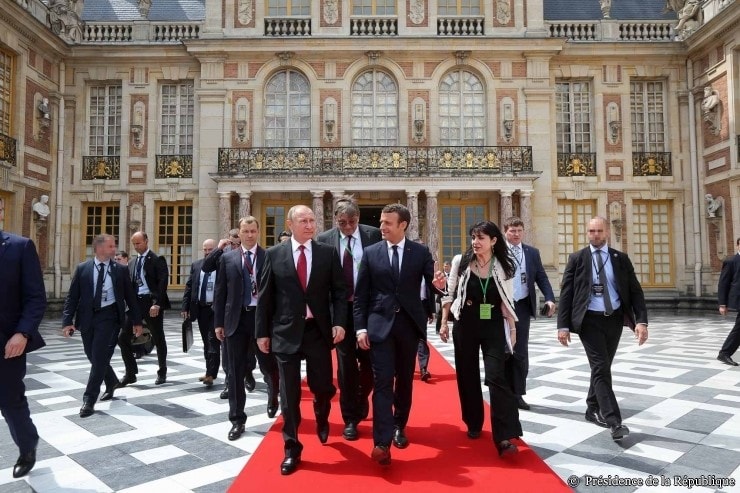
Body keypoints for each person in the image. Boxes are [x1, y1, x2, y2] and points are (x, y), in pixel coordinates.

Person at [256, 205, 347, 475]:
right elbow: (265, 297)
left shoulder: (328, 254)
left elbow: (340, 292)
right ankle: (292, 448)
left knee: (322, 388)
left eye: (312, 220)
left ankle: (322, 416)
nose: (309, 225)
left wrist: (339, 322)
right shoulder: (273, 255)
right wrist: (262, 333)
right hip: (285, 333)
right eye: (303, 221)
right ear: (290, 223)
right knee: (289, 394)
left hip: (317, 332)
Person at [354, 203, 445, 466]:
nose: (381, 227)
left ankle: (399, 426)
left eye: (387, 223)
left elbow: (433, 283)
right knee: (382, 381)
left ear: (403, 225)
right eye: (381, 222)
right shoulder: (371, 254)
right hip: (379, 327)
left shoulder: (420, 252)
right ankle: (381, 442)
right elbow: (360, 296)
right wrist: (360, 327)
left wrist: (439, 285)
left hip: (408, 326)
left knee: (404, 380)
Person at [557, 216, 648, 441]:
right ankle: (614, 421)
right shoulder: (577, 258)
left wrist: (641, 321)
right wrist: (563, 326)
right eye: (591, 231)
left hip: (614, 319)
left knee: (602, 367)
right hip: (589, 321)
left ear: (606, 232)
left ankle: (591, 407)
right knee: (600, 367)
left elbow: (635, 291)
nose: (594, 235)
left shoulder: (620, 258)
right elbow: (567, 293)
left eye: (598, 231)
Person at [439, 221, 521, 457]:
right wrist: (445, 322)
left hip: (494, 323)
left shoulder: (504, 265)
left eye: (481, 238)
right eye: (473, 237)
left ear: (494, 241)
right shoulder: (461, 261)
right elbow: (450, 292)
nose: (475, 242)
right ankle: (473, 422)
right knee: (467, 375)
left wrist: (513, 331)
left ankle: (504, 436)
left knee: (497, 376)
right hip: (465, 323)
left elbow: (508, 299)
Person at [316, 196, 381, 441]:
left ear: (358, 219)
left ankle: (362, 394)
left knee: (369, 361)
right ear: (336, 220)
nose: (347, 227)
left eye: (352, 222)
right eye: (342, 223)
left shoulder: (373, 235)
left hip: (368, 309)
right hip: (340, 312)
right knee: (345, 367)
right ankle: (350, 419)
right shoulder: (324, 240)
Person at [213, 217, 280, 442]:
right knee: (234, 372)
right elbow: (220, 292)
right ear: (239, 233)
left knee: (269, 366)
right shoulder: (228, 258)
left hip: (262, 321)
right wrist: (218, 323)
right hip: (236, 320)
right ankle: (237, 419)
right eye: (245, 231)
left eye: (253, 231)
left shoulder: (268, 256)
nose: (249, 235)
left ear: (258, 232)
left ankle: (273, 396)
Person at [62, 234, 143, 418]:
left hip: (110, 318)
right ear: (99, 248)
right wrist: (67, 321)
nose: (114, 249)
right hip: (87, 318)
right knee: (92, 355)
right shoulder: (83, 268)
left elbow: (130, 297)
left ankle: (89, 399)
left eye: (114, 246)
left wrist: (137, 322)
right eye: (111, 246)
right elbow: (72, 297)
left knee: (98, 357)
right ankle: (112, 380)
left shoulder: (120, 270)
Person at [0, 197, 47, 478]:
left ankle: (27, 445)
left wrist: (22, 333)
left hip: (7, 343)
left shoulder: (20, 247)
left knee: (9, 400)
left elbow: (35, 298)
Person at [503, 217, 556, 410]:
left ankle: (517, 394)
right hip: (501, 308)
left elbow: (541, 276)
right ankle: (503, 393)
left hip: (523, 306)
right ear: (505, 232)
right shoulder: (496, 251)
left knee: (520, 352)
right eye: (512, 231)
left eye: (519, 230)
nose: (516, 234)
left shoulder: (532, 253)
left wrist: (550, 298)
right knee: (502, 350)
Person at [117, 231, 171, 386]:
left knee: (158, 337)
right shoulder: (132, 263)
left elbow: (162, 284)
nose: (136, 246)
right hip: (135, 304)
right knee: (122, 337)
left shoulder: (156, 259)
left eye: (138, 243)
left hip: (151, 302)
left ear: (146, 241)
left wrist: (157, 304)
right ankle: (130, 373)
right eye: (134, 244)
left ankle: (162, 371)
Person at [182, 239, 222, 387]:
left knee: (212, 341)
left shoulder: (221, 265)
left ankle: (211, 374)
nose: (207, 252)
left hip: (216, 310)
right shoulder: (196, 265)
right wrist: (185, 307)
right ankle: (209, 371)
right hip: (200, 309)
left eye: (210, 250)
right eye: (205, 249)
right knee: (207, 342)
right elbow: (189, 286)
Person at [717, 237, 740, 366]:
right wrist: (722, 304)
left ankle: (724, 353)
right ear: (737, 246)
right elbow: (723, 283)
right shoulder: (731, 261)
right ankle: (724, 353)